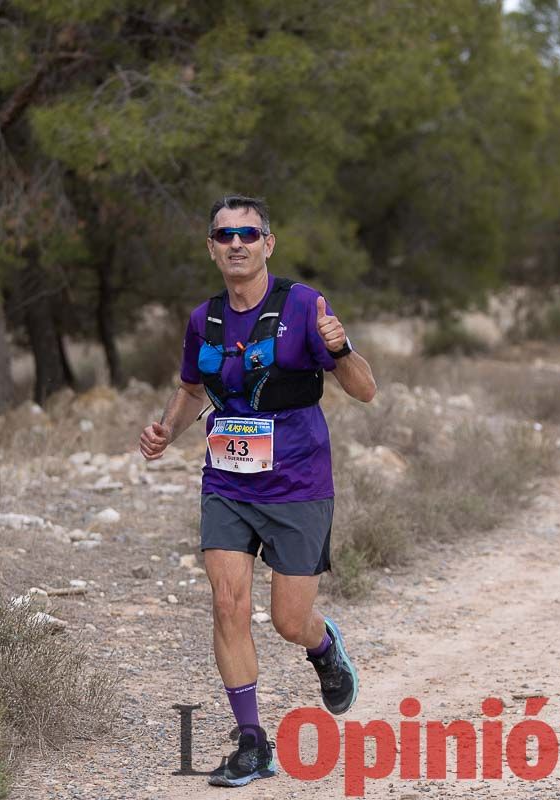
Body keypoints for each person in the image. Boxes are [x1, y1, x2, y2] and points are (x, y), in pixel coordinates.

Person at [139, 195, 377, 787]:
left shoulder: (303, 306)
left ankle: (324, 648)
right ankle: (252, 742)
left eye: (249, 233)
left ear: (268, 243)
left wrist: (342, 348)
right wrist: (167, 428)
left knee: (287, 620)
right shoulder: (204, 319)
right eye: (225, 235)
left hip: (298, 483)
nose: (237, 243)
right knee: (227, 604)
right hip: (227, 480)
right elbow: (193, 388)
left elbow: (365, 390)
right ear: (213, 248)